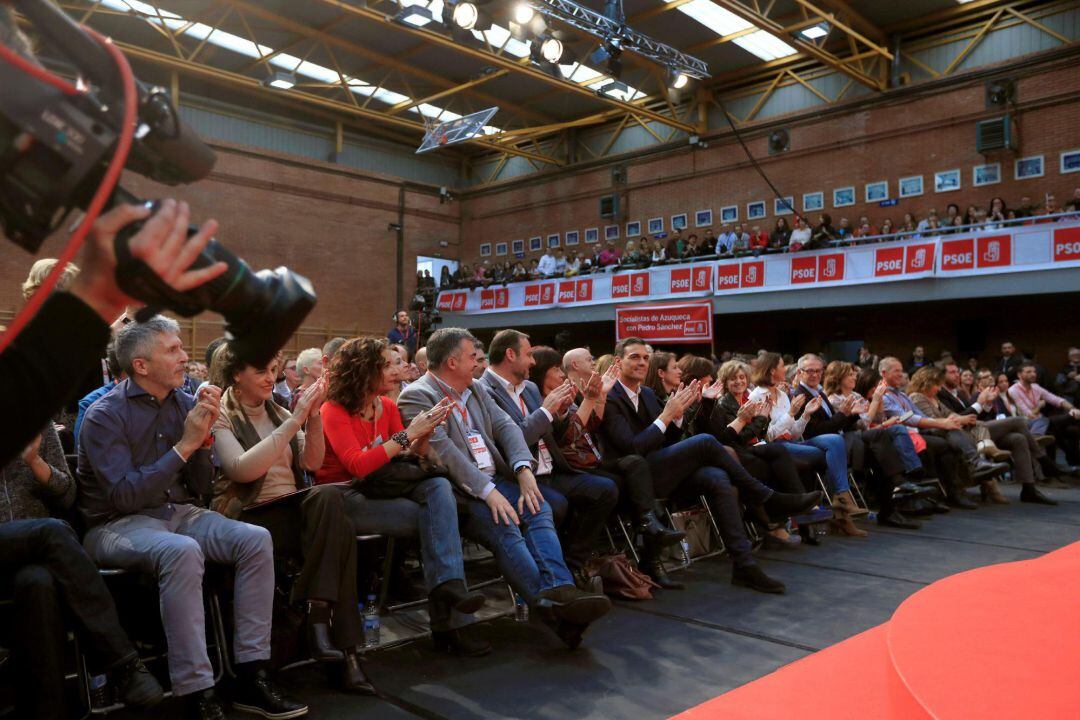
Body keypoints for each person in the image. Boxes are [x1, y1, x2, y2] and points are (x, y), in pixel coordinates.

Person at [77, 317, 304, 719]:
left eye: (182, 347)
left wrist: (204, 445)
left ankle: (251, 673)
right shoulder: (102, 415)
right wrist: (185, 445)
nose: (185, 356)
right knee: (181, 551)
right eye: (173, 350)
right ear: (142, 365)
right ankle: (197, 689)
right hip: (114, 525)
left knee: (254, 538)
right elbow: (126, 496)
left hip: (178, 511)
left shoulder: (186, 404)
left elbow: (200, 486)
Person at [397, 328, 611, 649]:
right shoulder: (416, 395)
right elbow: (446, 455)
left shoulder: (476, 389)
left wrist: (523, 469)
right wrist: (488, 491)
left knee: (538, 505)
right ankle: (555, 611)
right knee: (507, 526)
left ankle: (560, 588)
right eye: (473, 357)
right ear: (452, 362)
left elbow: (506, 428)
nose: (479, 363)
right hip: (457, 490)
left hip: (495, 480)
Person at [209, 343, 379, 690]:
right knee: (337, 523)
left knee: (333, 507)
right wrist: (298, 418)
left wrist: (313, 417)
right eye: (262, 371)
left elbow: (312, 463)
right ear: (236, 374)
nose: (271, 378)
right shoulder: (221, 413)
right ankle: (345, 654)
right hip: (247, 516)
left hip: (290, 510)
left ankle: (321, 619)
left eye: (274, 369)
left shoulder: (280, 412)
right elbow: (242, 470)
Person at [600, 338, 821, 594]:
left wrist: (679, 417)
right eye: (634, 357)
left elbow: (667, 439)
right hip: (633, 477)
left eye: (645, 358)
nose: (641, 362)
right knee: (706, 442)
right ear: (618, 362)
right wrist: (666, 416)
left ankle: (744, 565)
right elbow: (633, 447)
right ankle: (764, 496)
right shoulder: (610, 396)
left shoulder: (647, 394)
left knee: (717, 477)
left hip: (662, 470)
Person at [315, 337, 490, 656]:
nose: (397, 369)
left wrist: (423, 435)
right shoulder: (333, 409)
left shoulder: (389, 407)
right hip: (344, 497)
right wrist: (409, 433)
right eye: (387, 364)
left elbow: (408, 457)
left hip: (385, 488)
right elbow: (357, 466)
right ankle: (448, 621)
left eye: (396, 363)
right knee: (439, 520)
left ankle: (449, 589)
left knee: (438, 490)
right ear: (363, 370)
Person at [1, 422, 165, 718]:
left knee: (37, 583)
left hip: (31, 556)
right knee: (52, 533)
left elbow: (67, 496)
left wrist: (35, 462)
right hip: (26, 540)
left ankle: (47, 711)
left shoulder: (38, 420)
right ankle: (123, 663)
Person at [530, 347, 685, 581]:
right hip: (566, 468)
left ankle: (647, 529)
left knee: (635, 471)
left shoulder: (570, 393)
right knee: (621, 479)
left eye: (646, 358)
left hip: (592, 462)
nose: (561, 373)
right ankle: (578, 561)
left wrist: (598, 397)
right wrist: (596, 398)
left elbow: (589, 426)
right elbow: (571, 436)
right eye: (555, 369)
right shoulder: (547, 397)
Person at [479, 330, 618, 586]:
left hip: (552, 469)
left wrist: (563, 413)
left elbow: (559, 435)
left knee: (605, 489)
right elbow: (510, 441)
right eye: (529, 354)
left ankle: (572, 562)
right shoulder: (484, 391)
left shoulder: (530, 387)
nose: (533, 361)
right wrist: (547, 410)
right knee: (556, 504)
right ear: (510, 354)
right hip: (516, 476)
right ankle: (551, 574)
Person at [747, 354, 861, 535]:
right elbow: (767, 435)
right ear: (772, 370)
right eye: (783, 366)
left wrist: (805, 415)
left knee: (835, 440)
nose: (786, 370)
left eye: (818, 371)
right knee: (831, 454)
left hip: (792, 442)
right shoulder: (756, 396)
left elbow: (794, 432)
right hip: (775, 448)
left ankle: (842, 495)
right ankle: (840, 509)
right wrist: (791, 413)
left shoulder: (783, 395)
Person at [706, 360, 806, 547]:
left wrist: (763, 419)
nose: (738, 382)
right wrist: (760, 419)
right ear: (725, 382)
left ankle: (795, 503)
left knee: (778, 451)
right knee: (771, 464)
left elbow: (760, 433)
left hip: (754, 446)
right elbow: (738, 437)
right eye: (733, 379)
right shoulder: (723, 404)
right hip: (736, 451)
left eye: (742, 377)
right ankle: (780, 520)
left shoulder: (748, 400)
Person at [937, 363, 1058, 505]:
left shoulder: (958, 393)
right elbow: (957, 419)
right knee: (1018, 421)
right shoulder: (940, 394)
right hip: (964, 434)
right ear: (942, 375)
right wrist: (979, 403)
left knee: (1018, 438)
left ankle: (1029, 489)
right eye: (952, 372)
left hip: (979, 429)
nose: (957, 375)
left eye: (957, 371)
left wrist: (986, 403)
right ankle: (1044, 460)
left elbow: (976, 414)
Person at [825, 362, 928, 529]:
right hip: (849, 444)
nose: (854, 377)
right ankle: (905, 482)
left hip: (867, 441)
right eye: (850, 374)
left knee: (892, 438)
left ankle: (898, 494)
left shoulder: (857, 395)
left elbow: (876, 419)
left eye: (854, 374)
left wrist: (877, 402)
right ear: (838, 378)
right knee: (887, 439)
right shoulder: (834, 399)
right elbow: (863, 424)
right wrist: (877, 400)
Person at [878, 357, 980, 510]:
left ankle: (946, 493)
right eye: (896, 371)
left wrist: (944, 421)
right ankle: (945, 492)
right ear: (884, 373)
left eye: (901, 370)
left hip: (915, 433)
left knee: (946, 445)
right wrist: (940, 422)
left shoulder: (902, 395)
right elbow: (906, 418)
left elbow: (917, 416)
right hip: (899, 437)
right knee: (942, 443)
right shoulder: (883, 395)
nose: (901, 374)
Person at [907, 366, 1011, 502]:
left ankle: (985, 453)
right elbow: (931, 420)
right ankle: (979, 461)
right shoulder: (917, 397)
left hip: (946, 427)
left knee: (977, 425)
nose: (939, 388)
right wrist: (959, 419)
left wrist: (961, 419)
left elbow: (949, 413)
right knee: (954, 429)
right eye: (937, 385)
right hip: (932, 431)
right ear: (926, 382)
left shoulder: (935, 398)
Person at [1008, 361, 1080, 467]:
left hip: (1043, 423)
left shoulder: (1035, 387)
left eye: (1034, 372)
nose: (1033, 374)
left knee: (1066, 431)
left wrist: (1073, 408)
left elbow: (1055, 399)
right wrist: (1040, 406)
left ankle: (1066, 463)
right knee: (1059, 422)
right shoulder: (1013, 391)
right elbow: (1029, 415)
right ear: (1019, 375)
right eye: (1028, 372)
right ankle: (1070, 461)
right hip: (1029, 424)